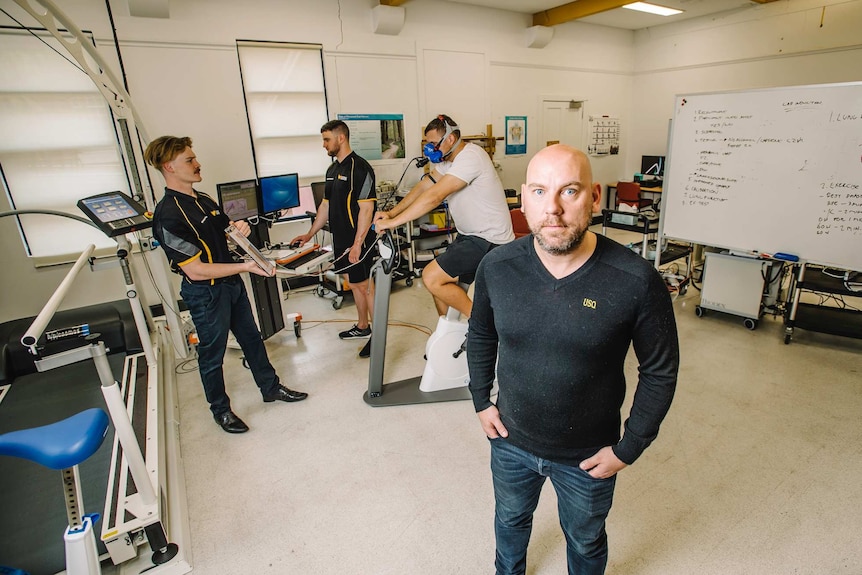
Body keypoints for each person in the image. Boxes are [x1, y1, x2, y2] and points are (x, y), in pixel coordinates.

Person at [466, 144, 679, 575]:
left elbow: (659, 369)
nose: (553, 209)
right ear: (523, 197)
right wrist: (480, 399)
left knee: (584, 539)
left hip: (589, 455)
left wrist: (630, 447)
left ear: (595, 197)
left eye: (570, 191)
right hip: (510, 439)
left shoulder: (635, 279)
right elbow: (482, 333)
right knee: (509, 519)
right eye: (541, 191)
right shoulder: (497, 267)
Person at [145, 136, 308, 434]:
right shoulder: (168, 215)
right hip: (206, 293)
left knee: (252, 340)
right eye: (189, 160)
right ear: (169, 167)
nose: (198, 164)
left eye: (195, 158)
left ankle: (270, 388)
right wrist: (247, 266)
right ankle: (221, 411)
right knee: (212, 355)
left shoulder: (203, 199)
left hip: (231, 285)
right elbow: (194, 270)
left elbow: (226, 236)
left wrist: (239, 231)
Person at [373, 114, 514, 319]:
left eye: (433, 143)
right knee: (441, 285)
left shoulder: (471, 156)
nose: (430, 148)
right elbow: (424, 186)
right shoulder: (448, 161)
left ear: (449, 139)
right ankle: (449, 334)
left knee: (432, 277)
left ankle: (482, 326)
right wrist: (391, 213)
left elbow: (435, 195)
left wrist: (394, 223)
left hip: (490, 239)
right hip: (470, 236)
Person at [290, 120, 377, 357]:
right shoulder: (332, 171)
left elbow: (367, 210)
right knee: (355, 285)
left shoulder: (359, 168)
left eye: (326, 139)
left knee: (366, 287)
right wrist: (309, 234)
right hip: (341, 239)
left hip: (358, 240)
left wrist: (358, 244)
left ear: (341, 138)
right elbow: (325, 206)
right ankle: (362, 326)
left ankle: (379, 339)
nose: (323, 145)